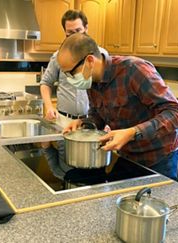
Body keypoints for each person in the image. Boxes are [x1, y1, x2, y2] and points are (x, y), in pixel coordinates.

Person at [57, 33, 178, 180]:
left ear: (89, 61)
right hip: (128, 155)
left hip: (159, 157)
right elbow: (99, 116)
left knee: (154, 201)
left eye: (71, 73)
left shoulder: (134, 70)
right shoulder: (91, 81)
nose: (69, 79)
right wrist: (83, 122)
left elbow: (176, 112)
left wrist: (132, 133)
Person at [39, 10, 108, 179]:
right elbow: (45, 83)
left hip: (93, 122)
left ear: (86, 28)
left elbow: (108, 91)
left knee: (94, 168)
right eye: (69, 33)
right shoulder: (59, 57)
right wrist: (49, 107)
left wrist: (107, 120)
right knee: (66, 166)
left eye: (77, 31)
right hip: (66, 122)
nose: (73, 36)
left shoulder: (101, 56)